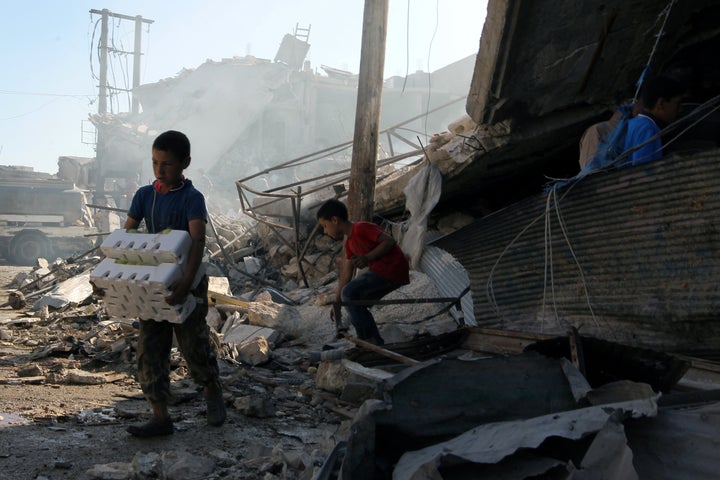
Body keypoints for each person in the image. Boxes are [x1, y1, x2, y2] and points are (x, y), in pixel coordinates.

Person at [123, 130, 226, 437]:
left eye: (166, 164)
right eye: (154, 162)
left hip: (188, 281)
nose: (159, 169)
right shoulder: (144, 195)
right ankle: (159, 416)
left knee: (192, 344)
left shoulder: (192, 198)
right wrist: (111, 279)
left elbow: (197, 240)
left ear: (185, 163)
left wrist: (184, 284)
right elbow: (125, 239)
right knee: (150, 348)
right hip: (154, 281)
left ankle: (212, 391)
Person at [317, 199, 410, 345]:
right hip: (381, 272)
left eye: (325, 226)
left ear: (335, 220)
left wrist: (368, 257)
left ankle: (369, 341)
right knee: (353, 299)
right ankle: (370, 340)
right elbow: (347, 272)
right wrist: (337, 302)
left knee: (349, 293)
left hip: (392, 269)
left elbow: (389, 241)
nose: (325, 231)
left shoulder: (361, 228)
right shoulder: (349, 242)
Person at [624, 76, 685, 165]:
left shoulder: (635, 122)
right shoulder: (649, 130)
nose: (680, 109)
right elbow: (644, 171)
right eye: (677, 103)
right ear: (661, 103)